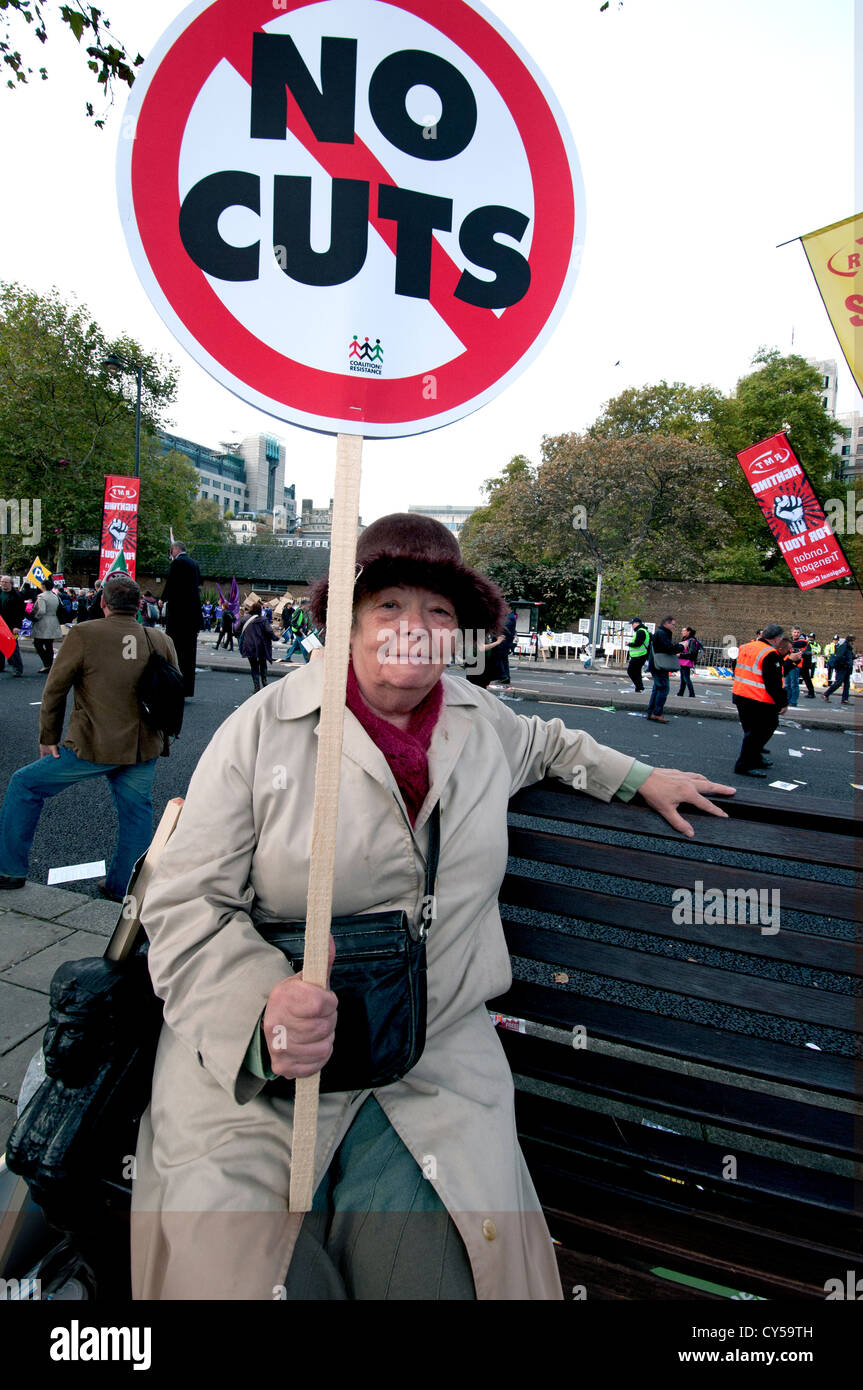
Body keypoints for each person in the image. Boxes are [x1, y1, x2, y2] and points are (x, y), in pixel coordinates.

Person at [129, 512, 734, 1302]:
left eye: (439, 612)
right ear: (346, 619)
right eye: (387, 605)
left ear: (459, 637)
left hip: (430, 1059)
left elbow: (552, 743)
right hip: (262, 1067)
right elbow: (182, 899)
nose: (413, 628)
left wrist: (638, 776)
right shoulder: (261, 730)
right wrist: (259, 1009)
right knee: (235, 1272)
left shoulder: (484, 726)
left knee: (441, 1274)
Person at [0, 575, 178, 898]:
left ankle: (10, 869)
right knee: (137, 815)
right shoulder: (160, 639)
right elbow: (173, 693)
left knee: (24, 785)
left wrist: (49, 735)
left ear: (103, 603)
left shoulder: (84, 634)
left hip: (93, 743)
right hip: (142, 746)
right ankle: (123, 886)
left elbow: (55, 689)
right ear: (139, 605)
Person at [731, 622, 788, 777]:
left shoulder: (745, 647)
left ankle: (755, 758)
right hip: (758, 699)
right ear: (776, 639)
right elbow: (773, 683)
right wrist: (782, 703)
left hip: (740, 694)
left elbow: (735, 666)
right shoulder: (770, 653)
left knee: (751, 730)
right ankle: (744, 765)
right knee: (762, 730)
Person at [161, 541, 203, 697]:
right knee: (189, 655)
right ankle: (187, 688)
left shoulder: (177, 563)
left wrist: (163, 598)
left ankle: (175, 687)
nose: (171, 553)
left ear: (175, 549)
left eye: (171, 550)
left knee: (175, 652)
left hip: (178, 615)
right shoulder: (194, 564)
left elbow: (171, 584)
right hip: (192, 615)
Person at [645, 615, 683, 723]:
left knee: (657, 689)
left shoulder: (660, 633)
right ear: (666, 623)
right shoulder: (662, 634)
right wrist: (681, 646)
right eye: (673, 624)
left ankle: (651, 712)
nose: (674, 627)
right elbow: (668, 649)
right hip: (659, 665)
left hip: (656, 664)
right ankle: (657, 713)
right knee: (663, 689)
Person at [236, 601, 275, 692]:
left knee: (253, 666)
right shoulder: (263, 620)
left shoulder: (245, 619)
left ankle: (256, 686)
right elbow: (269, 632)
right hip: (261, 646)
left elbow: (237, 630)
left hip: (249, 646)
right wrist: (275, 638)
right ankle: (264, 682)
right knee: (263, 663)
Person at [30, 577, 63, 673]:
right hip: (53, 620)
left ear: (43, 586)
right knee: (49, 644)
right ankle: (49, 664)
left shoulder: (41, 596)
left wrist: (35, 618)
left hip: (43, 621)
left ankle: (47, 664)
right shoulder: (55, 596)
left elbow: (41, 610)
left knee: (38, 643)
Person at [0, 575, 25, 676]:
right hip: (1, 625)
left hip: (11, 626)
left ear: (11, 584)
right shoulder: (0, 593)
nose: (3, 584)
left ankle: (17, 669)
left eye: (6, 582)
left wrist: (17, 626)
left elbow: (20, 613)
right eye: (2, 582)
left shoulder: (16, 596)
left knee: (13, 647)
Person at [823, 636, 854, 704]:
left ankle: (845, 699)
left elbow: (850, 656)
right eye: (853, 641)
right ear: (850, 641)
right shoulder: (844, 647)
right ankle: (826, 694)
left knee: (847, 684)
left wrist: (854, 657)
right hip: (842, 667)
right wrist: (845, 662)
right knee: (838, 682)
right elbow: (839, 657)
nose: (853, 643)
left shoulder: (848, 647)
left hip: (846, 667)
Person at [790, 627, 815, 699]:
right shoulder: (793, 641)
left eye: (797, 632)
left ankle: (811, 692)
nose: (796, 634)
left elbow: (806, 652)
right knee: (795, 679)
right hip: (796, 662)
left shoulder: (803, 642)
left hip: (803, 663)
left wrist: (800, 653)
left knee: (805, 678)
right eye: (794, 632)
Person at [626, 618, 650, 692]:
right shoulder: (643, 631)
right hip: (640, 655)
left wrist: (629, 644)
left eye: (633, 624)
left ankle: (639, 686)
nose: (632, 626)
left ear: (637, 623)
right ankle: (639, 687)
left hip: (639, 655)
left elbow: (637, 643)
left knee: (630, 671)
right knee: (637, 672)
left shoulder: (641, 632)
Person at [676, 626, 700, 698]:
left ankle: (692, 694)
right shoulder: (686, 639)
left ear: (688, 632)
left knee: (686, 678)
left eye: (684, 631)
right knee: (683, 678)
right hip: (683, 661)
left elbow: (691, 652)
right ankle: (681, 692)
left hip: (686, 661)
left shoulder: (691, 640)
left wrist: (680, 655)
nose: (682, 632)